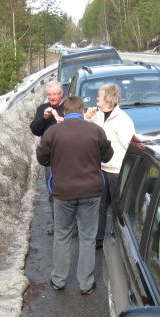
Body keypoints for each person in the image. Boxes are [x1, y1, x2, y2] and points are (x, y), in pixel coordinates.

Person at [36, 96, 113, 295]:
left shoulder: (53, 132)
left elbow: (42, 158)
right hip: (91, 192)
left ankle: (59, 280)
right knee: (87, 238)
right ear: (81, 111)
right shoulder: (95, 131)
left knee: (62, 236)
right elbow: (108, 156)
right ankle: (86, 284)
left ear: (63, 112)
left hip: (63, 193)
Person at [84, 83, 136, 249]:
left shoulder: (123, 120)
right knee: (98, 204)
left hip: (116, 171)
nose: (97, 98)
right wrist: (88, 119)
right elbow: (88, 135)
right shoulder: (98, 116)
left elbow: (130, 145)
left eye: (99, 96)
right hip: (100, 169)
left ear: (107, 99)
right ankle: (99, 238)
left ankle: (117, 239)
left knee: (116, 206)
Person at [30, 80, 65, 235]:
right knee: (53, 190)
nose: (52, 98)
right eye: (49, 95)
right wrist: (43, 118)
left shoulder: (67, 108)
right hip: (50, 157)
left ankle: (71, 224)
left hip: (67, 156)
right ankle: (57, 224)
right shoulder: (42, 109)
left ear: (61, 94)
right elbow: (35, 130)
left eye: (55, 94)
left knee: (69, 190)